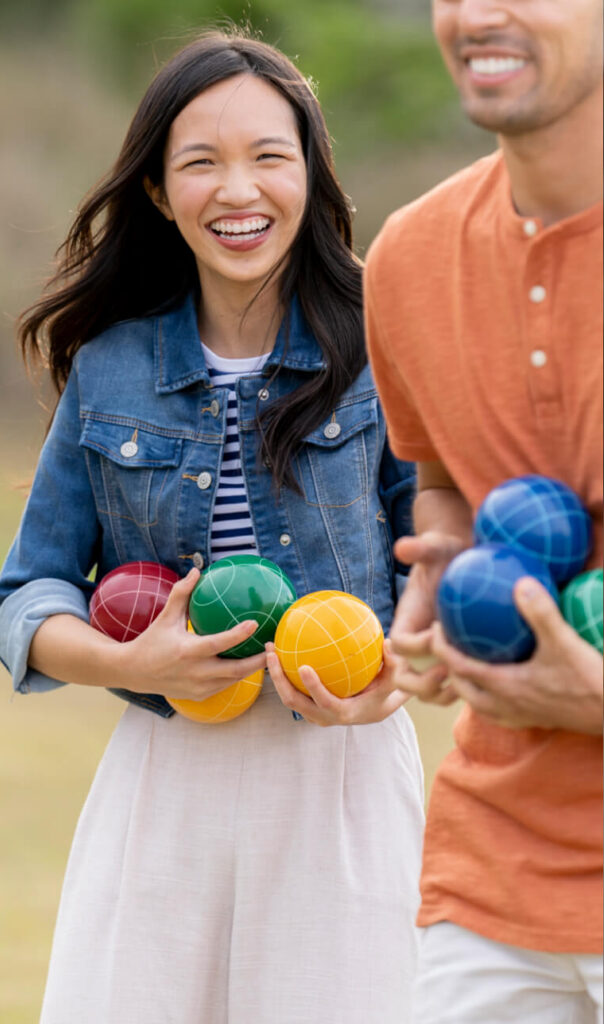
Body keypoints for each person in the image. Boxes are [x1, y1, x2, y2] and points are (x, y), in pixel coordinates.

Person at [0, 28, 425, 1024]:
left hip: (340, 778)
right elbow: (30, 596)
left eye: (269, 157)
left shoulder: (381, 341)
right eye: (200, 162)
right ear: (156, 191)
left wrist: (395, 666)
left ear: (310, 174)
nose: (239, 190)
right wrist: (137, 665)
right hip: (165, 779)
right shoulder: (108, 367)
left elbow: (429, 560)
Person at [364, 0, 603, 1021]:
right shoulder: (406, 261)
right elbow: (442, 477)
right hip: (489, 885)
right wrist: (441, 559)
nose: (479, 14)